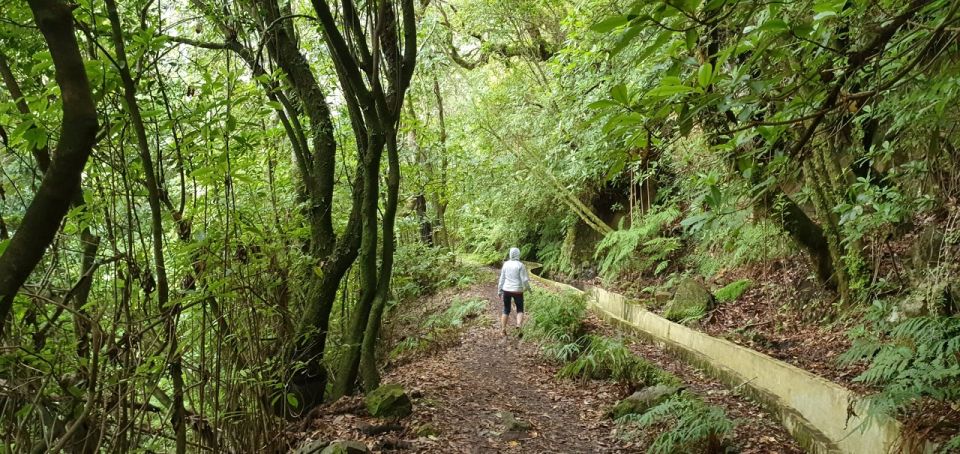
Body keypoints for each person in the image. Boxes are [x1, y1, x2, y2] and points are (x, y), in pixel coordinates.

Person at [497, 247, 531, 335]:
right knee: (520, 309)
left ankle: (503, 329)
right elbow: (524, 280)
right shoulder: (520, 265)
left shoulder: (506, 264)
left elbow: (502, 279)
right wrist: (528, 289)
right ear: (518, 254)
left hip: (506, 290)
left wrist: (499, 290)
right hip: (518, 291)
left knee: (506, 309)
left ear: (510, 254)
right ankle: (519, 325)